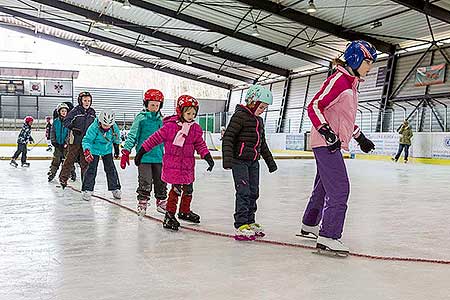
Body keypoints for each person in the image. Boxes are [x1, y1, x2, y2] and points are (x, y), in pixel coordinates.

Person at [299, 40, 377, 255]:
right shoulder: (339, 79)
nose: (370, 67)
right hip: (325, 143)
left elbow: (344, 119)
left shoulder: (351, 83)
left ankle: (310, 224)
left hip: (330, 142)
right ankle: (329, 235)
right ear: (356, 58)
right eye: (368, 62)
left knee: (323, 186)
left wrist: (360, 137)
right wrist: (325, 131)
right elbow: (315, 105)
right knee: (340, 188)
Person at [134, 95, 214, 231]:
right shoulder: (170, 127)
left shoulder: (195, 129)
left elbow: (200, 144)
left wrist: (207, 156)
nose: (191, 116)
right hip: (173, 166)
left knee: (188, 190)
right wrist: (141, 152)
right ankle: (169, 215)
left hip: (188, 166)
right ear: (180, 111)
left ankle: (184, 211)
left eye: (194, 113)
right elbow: (154, 139)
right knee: (175, 191)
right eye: (188, 113)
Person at [222, 85, 278, 241]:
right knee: (244, 192)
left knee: (254, 192)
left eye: (265, 108)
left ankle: (250, 221)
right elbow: (228, 138)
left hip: (254, 162)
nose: (263, 110)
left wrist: (270, 162)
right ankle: (241, 224)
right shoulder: (239, 116)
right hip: (239, 161)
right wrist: (227, 160)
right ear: (252, 102)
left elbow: (262, 144)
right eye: (261, 106)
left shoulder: (259, 121)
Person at [120, 89, 167, 216]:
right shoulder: (141, 119)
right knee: (145, 181)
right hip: (144, 157)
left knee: (161, 180)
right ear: (146, 104)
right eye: (152, 105)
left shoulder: (162, 120)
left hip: (159, 157)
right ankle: (142, 202)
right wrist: (126, 151)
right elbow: (132, 135)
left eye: (157, 105)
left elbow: (167, 138)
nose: (155, 108)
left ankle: (161, 201)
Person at [81, 110, 121, 201]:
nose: (107, 127)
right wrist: (87, 150)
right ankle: (87, 189)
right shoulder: (94, 127)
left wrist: (116, 148)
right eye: (104, 125)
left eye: (108, 125)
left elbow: (116, 137)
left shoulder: (114, 127)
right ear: (100, 121)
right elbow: (87, 140)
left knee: (111, 169)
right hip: (94, 150)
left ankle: (115, 188)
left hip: (107, 150)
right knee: (91, 169)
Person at [59, 92, 96, 188]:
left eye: (89, 100)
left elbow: (95, 125)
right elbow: (66, 121)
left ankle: (85, 182)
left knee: (85, 162)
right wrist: (73, 128)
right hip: (75, 140)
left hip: (86, 141)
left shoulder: (92, 112)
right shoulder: (75, 111)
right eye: (85, 100)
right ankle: (63, 178)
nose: (87, 102)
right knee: (70, 159)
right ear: (80, 101)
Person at [47, 103, 70, 182]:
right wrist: (53, 141)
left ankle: (71, 173)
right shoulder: (56, 122)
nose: (64, 112)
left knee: (67, 160)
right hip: (57, 145)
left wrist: (66, 142)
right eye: (62, 111)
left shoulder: (69, 121)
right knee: (56, 160)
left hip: (65, 145)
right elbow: (52, 131)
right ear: (59, 112)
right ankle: (52, 173)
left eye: (65, 111)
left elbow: (69, 133)